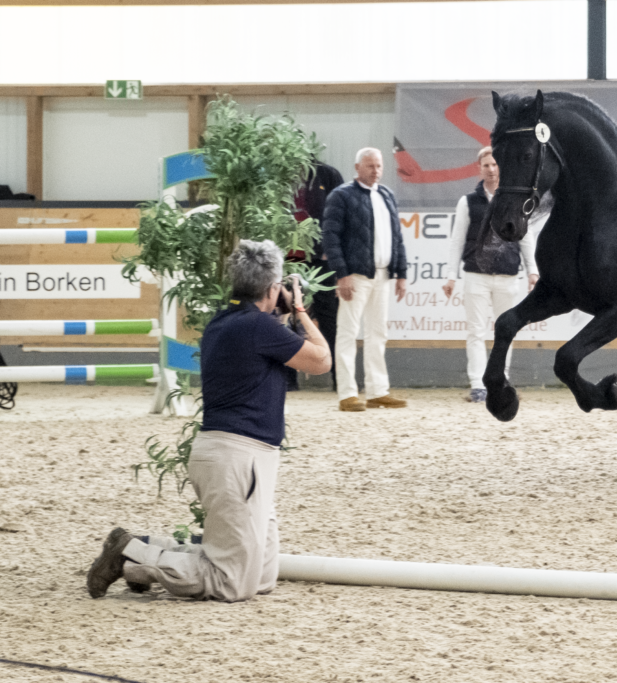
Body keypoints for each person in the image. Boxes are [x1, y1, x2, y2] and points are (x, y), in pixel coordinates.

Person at [85, 240, 332, 602]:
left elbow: (268, 347)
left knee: (261, 575)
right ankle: (131, 550)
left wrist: (278, 310)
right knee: (232, 583)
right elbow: (322, 360)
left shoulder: (227, 321)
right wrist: (298, 308)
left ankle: (140, 560)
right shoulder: (257, 328)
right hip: (239, 457)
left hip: (236, 455)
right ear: (271, 288)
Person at [442, 146, 539, 403]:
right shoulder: (467, 202)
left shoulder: (515, 199)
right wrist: (451, 275)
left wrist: (533, 271)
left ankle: (500, 381)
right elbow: (457, 240)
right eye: (486, 165)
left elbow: (525, 236)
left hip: (508, 276)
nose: (492, 169)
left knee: (505, 331)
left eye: (495, 164)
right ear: (480, 168)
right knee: (475, 331)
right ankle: (478, 385)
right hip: (476, 275)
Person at [321, 147, 408, 412]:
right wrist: (342, 274)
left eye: (379, 166)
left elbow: (397, 237)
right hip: (354, 276)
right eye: (370, 166)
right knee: (347, 332)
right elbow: (331, 237)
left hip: (382, 275)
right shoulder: (341, 196)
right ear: (357, 168)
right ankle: (347, 393)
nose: (376, 170)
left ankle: (377, 390)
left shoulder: (387, 195)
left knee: (377, 333)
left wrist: (401, 273)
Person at [295, 160, 345, 391]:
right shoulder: (278, 175)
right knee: (287, 317)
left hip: (322, 260)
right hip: (290, 259)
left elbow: (343, 216)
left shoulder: (328, 175)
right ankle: (286, 380)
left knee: (330, 320)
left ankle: (340, 378)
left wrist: (333, 252)